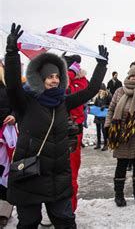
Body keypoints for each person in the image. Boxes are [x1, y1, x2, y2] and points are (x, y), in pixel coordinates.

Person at [4, 23, 108, 228]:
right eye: (49, 76)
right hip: (30, 176)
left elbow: (90, 91)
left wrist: (101, 66)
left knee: (65, 221)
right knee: (29, 222)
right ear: (39, 78)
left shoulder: (64, 102)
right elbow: (13, 83)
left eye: (57, 77)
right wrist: (11, 52)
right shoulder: (25, 101)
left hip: (57, 176)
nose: (54, 80)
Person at [105, 64, 135, 207]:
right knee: (121, 165)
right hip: (121, 134)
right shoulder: (119, 91)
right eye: (132, 75)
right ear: (128, 76)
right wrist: (107, 126)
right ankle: (119, 194)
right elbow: (111, 110)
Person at [64, 54, 89, 213]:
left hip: (73, 131)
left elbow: (66, 94)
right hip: (53, 130)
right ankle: (54, 209)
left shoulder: (81, 82)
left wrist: (71, 75)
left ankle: (69, 210)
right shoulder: (56, 79)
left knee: (70, 174)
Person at [0, 62, 16, 227]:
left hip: (5, 137)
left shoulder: (8, 89)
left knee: (5, 173)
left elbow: (18, 107)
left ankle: (4, 210)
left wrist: (14, 116)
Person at [93, 83, 111, 150]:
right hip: (98, 115)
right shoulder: (98, 96)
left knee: (104, 131)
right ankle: (98, 144)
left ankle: (106, 144)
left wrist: (105, 106)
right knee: (98, 130)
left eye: (101, 90)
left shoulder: (108, 96)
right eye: (99, 90)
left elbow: (111, 105)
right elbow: (95, 104)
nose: (100, 92)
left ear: (104, 90)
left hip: (104, 115)